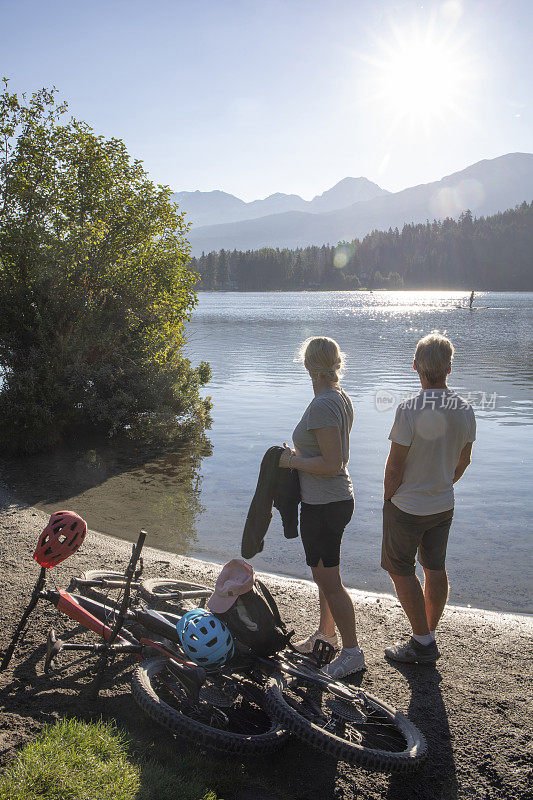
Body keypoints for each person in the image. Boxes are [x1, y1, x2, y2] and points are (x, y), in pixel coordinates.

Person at [381, 333, 476, 663]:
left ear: (415, 367)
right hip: (443, 505)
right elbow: (463, 462)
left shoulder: (408, 410)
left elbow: (394, 467)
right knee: (435, 568)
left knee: (400, 570)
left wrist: (387, 499)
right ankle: (427, 634)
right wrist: (441, 484)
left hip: (407, 506)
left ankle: (422, 641)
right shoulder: (465, 410)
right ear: (449, 368)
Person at [279, 336, 364, 678]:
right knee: (323, 577)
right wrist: (299, 456)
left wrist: (290, 462)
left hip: (328, 503)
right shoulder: (338, 398)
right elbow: (331, 455)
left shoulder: (324, 404)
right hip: (327, 501)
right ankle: (325, 635)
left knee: (330, 580)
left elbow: (333, 463)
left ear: (307, 365)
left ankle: (352, 651)